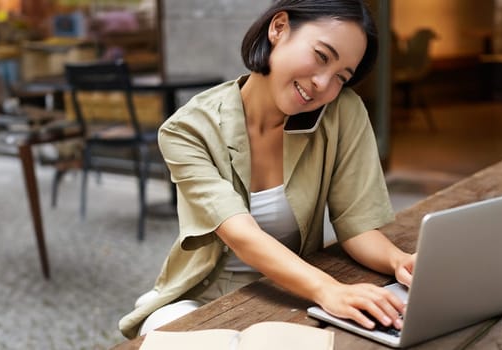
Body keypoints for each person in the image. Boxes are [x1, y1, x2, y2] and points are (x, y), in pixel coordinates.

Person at [118, 0, 416, 339]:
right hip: (201, 300)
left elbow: (356, 226)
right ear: (279, 28)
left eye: (340, 77)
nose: (322, 83)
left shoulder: (341, 113)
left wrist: (399, 262)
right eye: (321, 56)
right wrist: (327, 289)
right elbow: (242, 235)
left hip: (292, 293)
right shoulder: (188, 129)